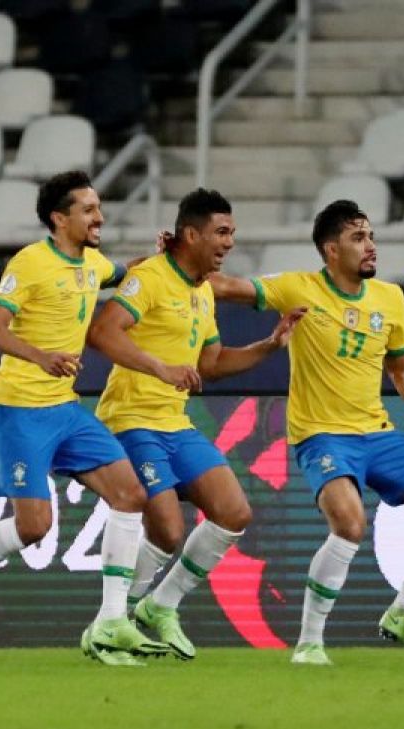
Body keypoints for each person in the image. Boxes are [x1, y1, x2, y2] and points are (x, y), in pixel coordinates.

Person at [0, 170, 169, 666]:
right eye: (89, 210)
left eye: (98, 208)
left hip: (65, 409)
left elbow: (125, 272)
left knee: (130, 494)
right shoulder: (30, 262)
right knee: (33, 527)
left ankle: (112, 623)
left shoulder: (92, 263)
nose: (99, 216)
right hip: (19, 409)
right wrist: (40, 356)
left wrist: (158, 258)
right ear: (60, 218)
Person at [210, 199, 404, 667]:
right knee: (350, 525)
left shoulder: (390, 298)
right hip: (322, 436)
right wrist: (169, 266)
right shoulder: (298, 287)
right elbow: (225, 286)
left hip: (376, 434)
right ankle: (310, 642)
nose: (371, 246)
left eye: (371, 236)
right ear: (331, 249)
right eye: (358, 238)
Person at [86, 188, 304, 662]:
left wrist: (269, 345)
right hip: (130, 418)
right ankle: (111, 622)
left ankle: (159, 607)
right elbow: (101, 333)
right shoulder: (149, 278)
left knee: (234, 512)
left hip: (174, 423)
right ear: (191, 234)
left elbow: (212, 362)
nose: (229, 243)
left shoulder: (203, 290)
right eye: (221, 233)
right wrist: (160, 368)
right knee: (165, 529)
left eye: (232, 234)